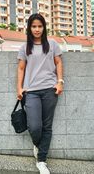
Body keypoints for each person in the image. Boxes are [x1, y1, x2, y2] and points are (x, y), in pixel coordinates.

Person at [17, 13, 64, 174]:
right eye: (34, 26)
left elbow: (58, 63)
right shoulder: (25, 47)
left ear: (44, 27)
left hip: (50, 90)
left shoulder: (52, 44)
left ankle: (42, 161)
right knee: (35, 126)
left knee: (47, 126)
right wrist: (19, 88)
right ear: (29, 28)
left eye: (40, 26)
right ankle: (37, 144)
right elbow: (21, 68)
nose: (37, 29)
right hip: (31, 92)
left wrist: (60, 82)